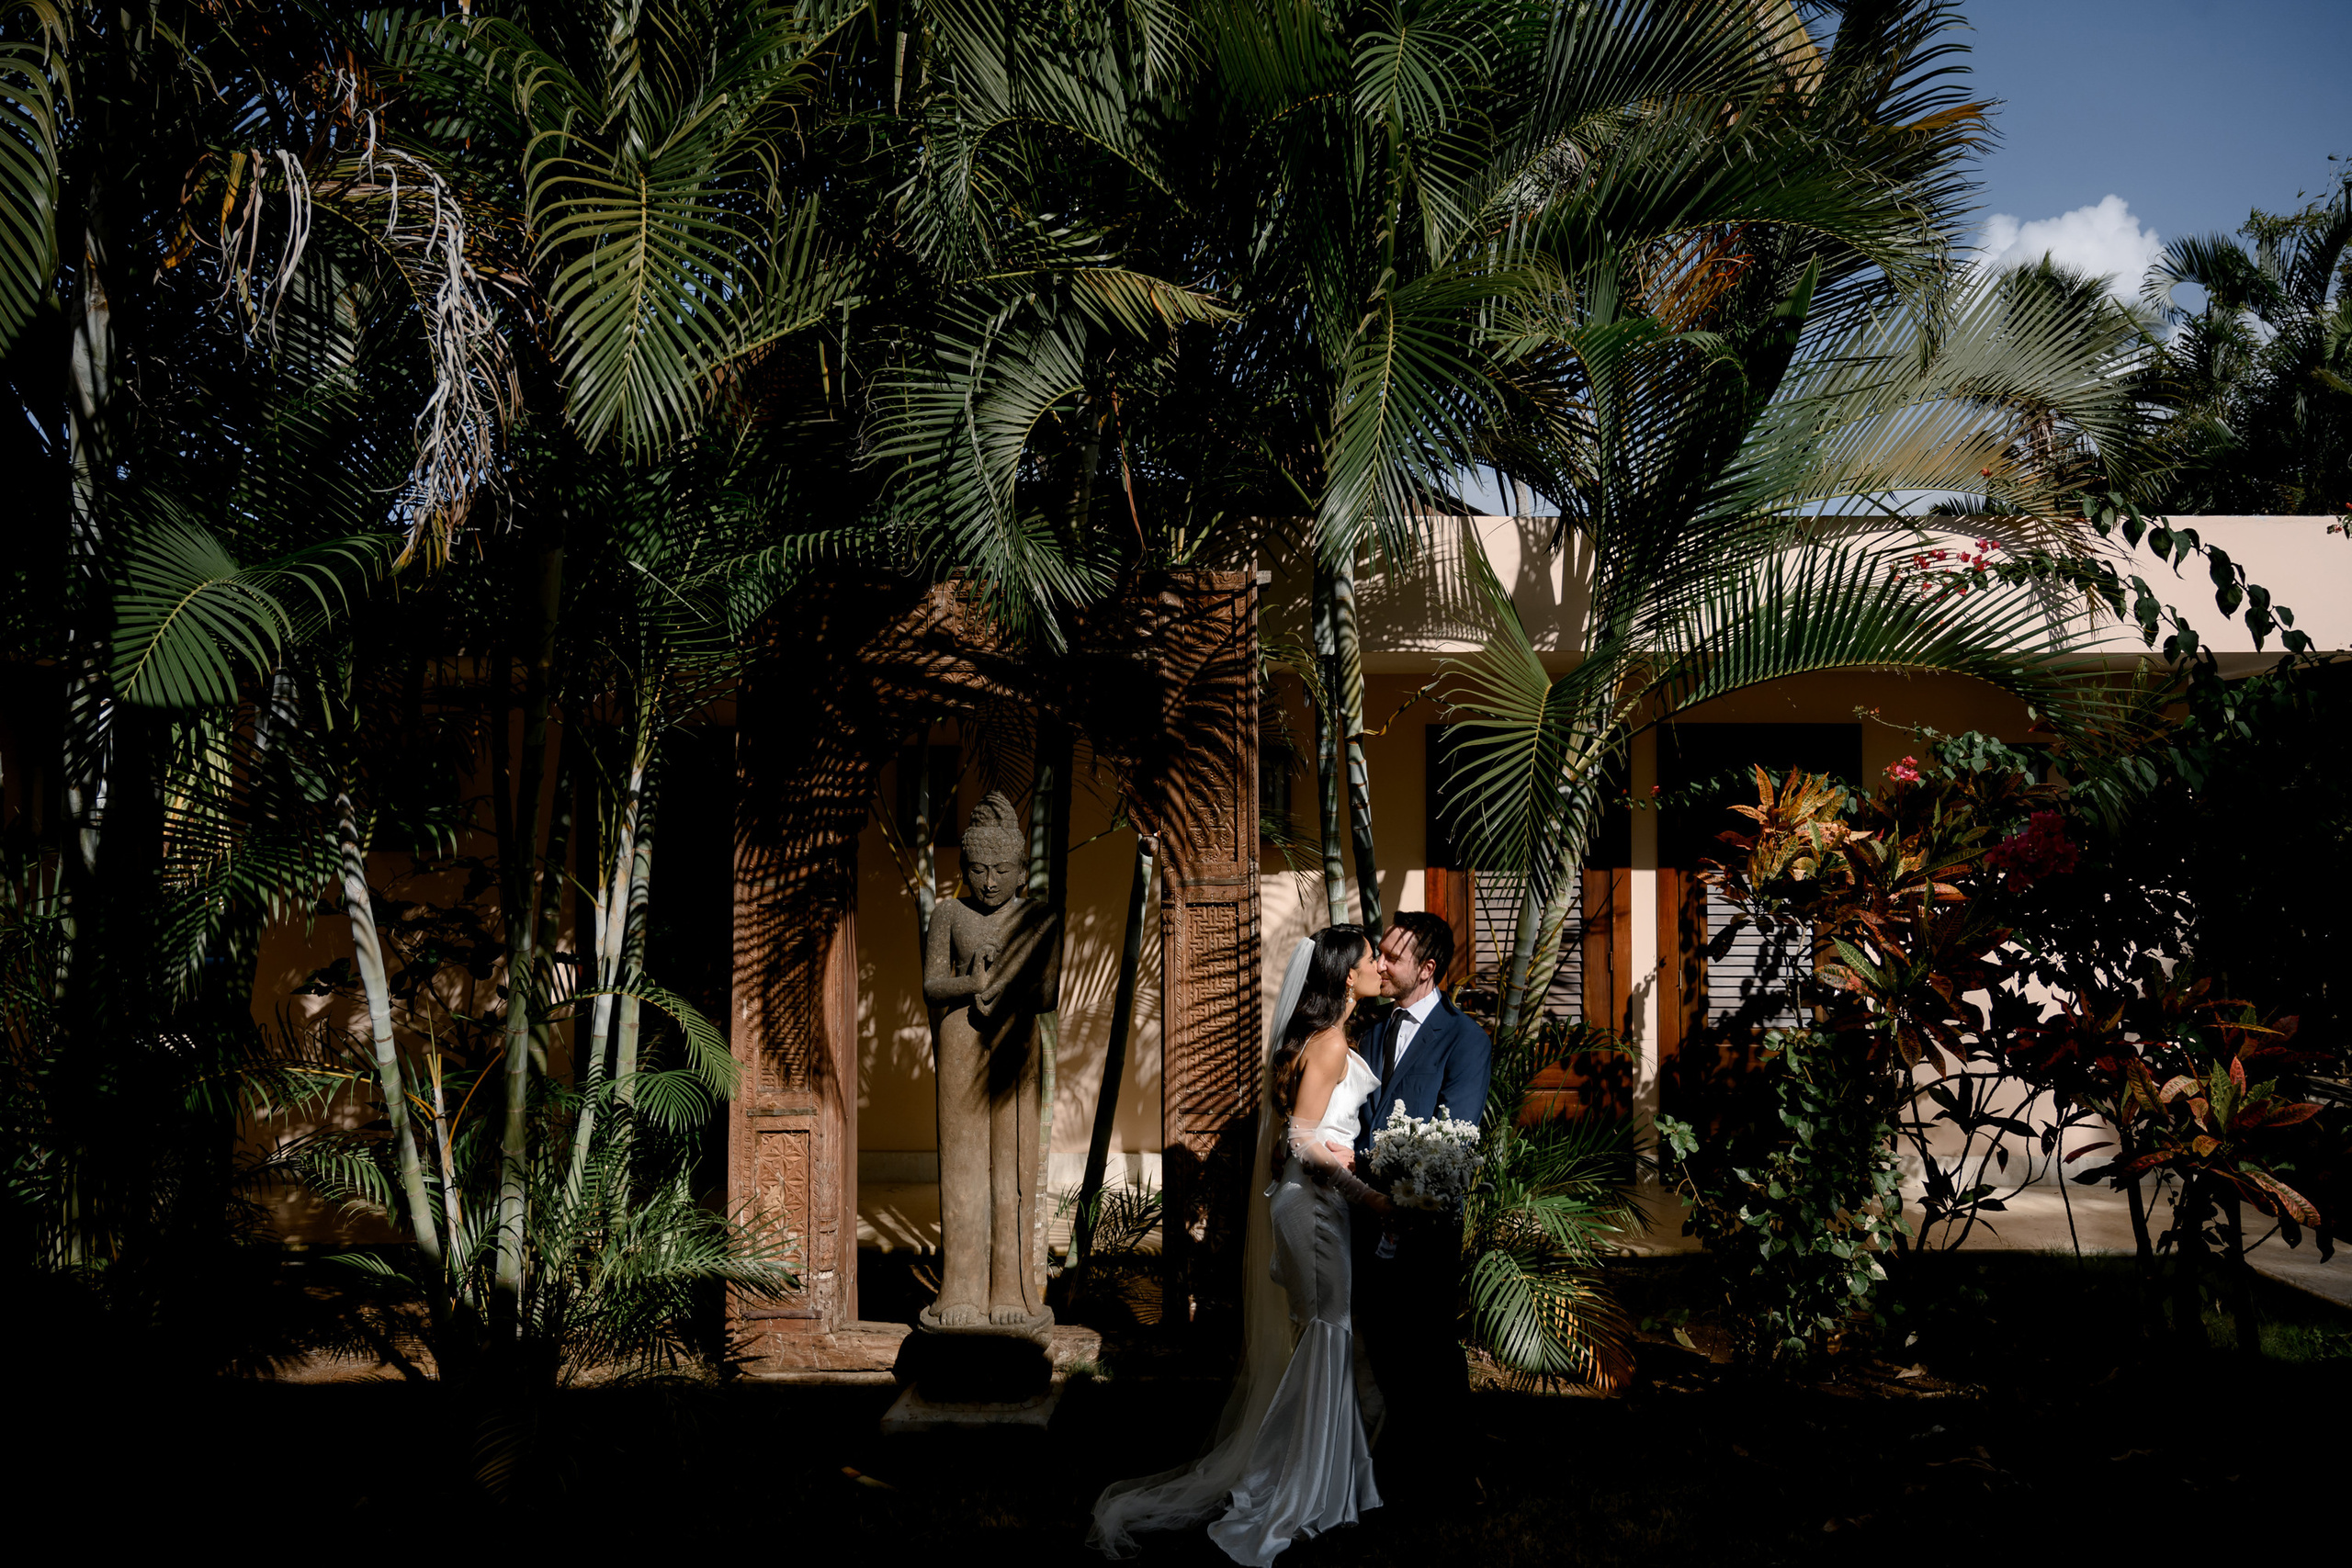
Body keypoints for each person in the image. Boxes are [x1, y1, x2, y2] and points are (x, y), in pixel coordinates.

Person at [1090, 925, 1395, 1565]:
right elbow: (1302, 1139)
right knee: (1327, 1334)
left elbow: (1300, 1134)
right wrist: (1364, 1193)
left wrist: (1338, 1161)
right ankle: (1304, 1489)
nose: (1379, 965)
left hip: (1309, 1201)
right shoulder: (1330, 1042)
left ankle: (1320, 1479)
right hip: (1316, 1206)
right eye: (1371, 957)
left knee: (1322, 1337)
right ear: (1346, 974)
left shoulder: (1321, 1037)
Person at [1351, 911, 1491, 1508]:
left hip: (1424, 1219)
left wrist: (1403, 1203)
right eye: (1379, 954)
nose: (1380, 964)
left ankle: (1458, 1474)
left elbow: (1453, 1135)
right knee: (1382, 1343)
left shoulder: (1465, 1039)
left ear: (1427, 968)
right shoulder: (1373, 1029)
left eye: (1392, 956)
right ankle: (1393, 1470)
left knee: (1432, 1346)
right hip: (1366, 1213)